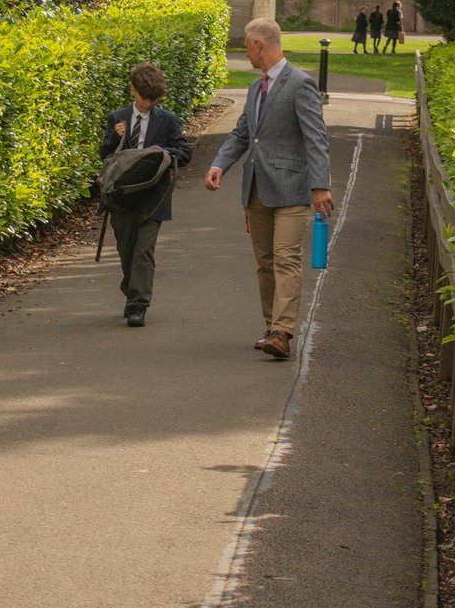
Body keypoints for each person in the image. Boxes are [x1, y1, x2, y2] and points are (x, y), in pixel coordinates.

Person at [204, 19, 334, 360]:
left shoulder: (300, 85)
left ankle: (282, 332)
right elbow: (242, 134)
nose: (245, 52)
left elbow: (316, 138)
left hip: (292, 190)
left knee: (285, 259)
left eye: (247, 46)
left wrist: (319, 186)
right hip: (256, 190)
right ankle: (271, 326)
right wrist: (219, 165)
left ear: (259, 45)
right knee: (264, 263)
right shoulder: (253, 88)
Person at [99, 63, 192, 327]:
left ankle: (138, 304)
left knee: (143, 251)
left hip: (154, 197)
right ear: (132, 91)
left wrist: (161, 155)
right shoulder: (117, 118)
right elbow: (104, 155)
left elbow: (184, 152)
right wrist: (114, 139)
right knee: (126, 249)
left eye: (154, 99)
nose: (149, 103)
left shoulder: (167, 120)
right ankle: (132, 290)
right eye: (144, 98)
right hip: (121, 196)